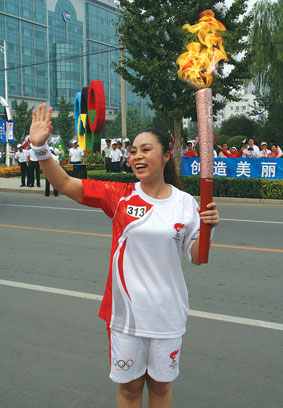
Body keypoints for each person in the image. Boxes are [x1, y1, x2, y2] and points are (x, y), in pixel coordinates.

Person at [29, 104, 219, 408]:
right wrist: (40, 149)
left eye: (146, 150)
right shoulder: (119, 197)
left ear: (167, 155)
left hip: (167, 314)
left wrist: (208, 229)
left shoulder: (185, 204)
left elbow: (197, 257)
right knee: (130, 391)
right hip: (126, 316)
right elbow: (65, 183)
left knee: (160, 388)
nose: (137, 156)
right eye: (133, 151)